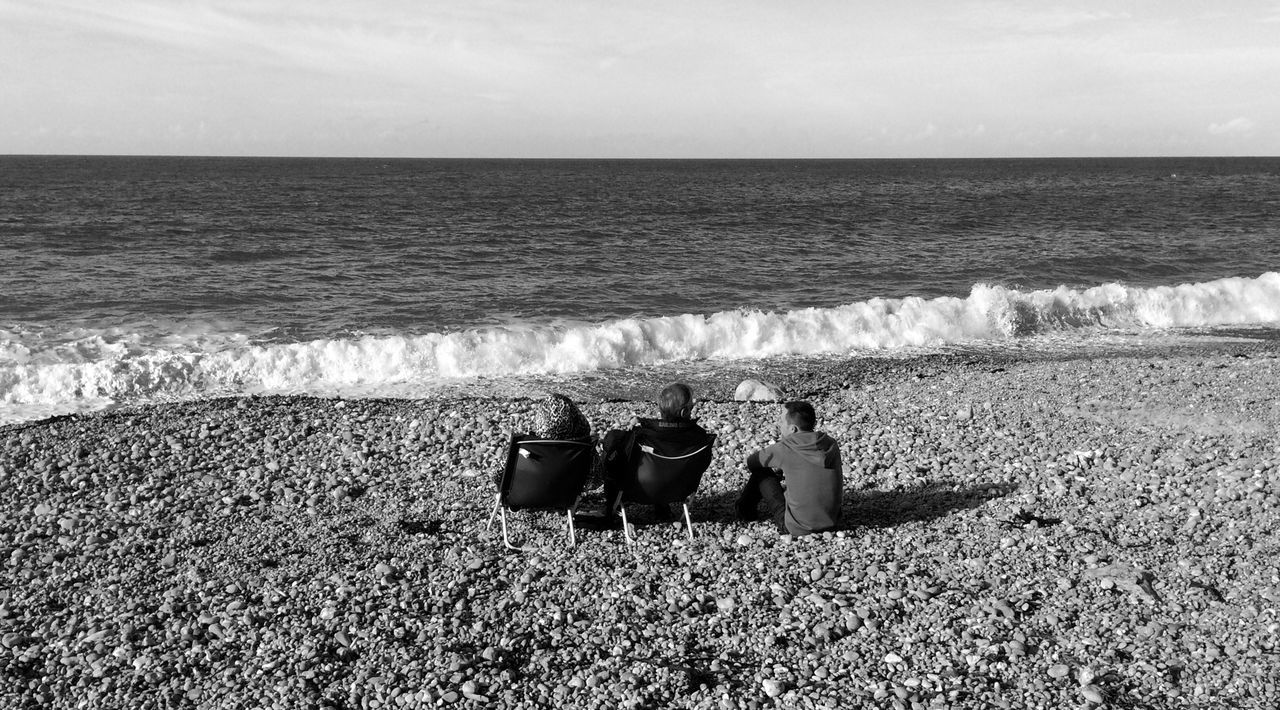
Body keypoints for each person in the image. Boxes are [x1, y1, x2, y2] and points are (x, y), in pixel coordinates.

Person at [598, 382, 711, 521]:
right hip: (680, 490)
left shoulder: (642, 436)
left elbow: (612, 461)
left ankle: (610, 509)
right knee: (665, 465)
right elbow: (703, 465)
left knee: (612, 460)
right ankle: (662, 507)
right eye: (691, 406)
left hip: (636, 490)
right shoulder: (699, 438)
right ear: (684, 412)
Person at [736, 400, 842, 536]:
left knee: (761, 471)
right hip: (833, 523)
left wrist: (776, 468)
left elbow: (752, 462)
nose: (779, 426)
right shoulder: (831, 444)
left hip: (796, 527)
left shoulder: (786, 447)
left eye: (781, 422)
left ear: (793, 429)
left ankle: (744, 511)